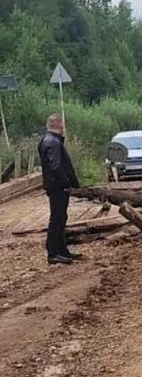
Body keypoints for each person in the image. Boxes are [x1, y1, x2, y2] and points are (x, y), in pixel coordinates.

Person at [37, 113, 81, 265]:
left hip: (54, 185)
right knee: (57, 219)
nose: (64, 127)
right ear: (58, 125)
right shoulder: (53, 142)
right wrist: (66, 182)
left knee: (61, 218)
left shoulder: (48, 140)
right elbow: (55, 165)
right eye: (62, 124)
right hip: (57, 186)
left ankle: (62, 250)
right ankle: (53, 253)